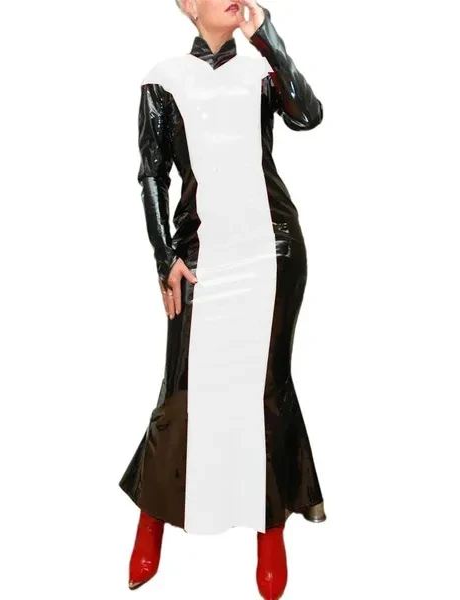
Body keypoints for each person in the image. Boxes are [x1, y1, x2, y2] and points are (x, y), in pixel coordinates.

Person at [118, 1, 326, 597]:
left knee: (267, 388)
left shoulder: (261, 66)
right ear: (188, 3)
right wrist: (164, 258)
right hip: (201, 256)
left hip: (273, 249)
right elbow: (152, 174)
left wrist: (271, 38)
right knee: (182, 389)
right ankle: (152, 521)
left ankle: (270, 529)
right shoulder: (163, 80)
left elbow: (308, 115)